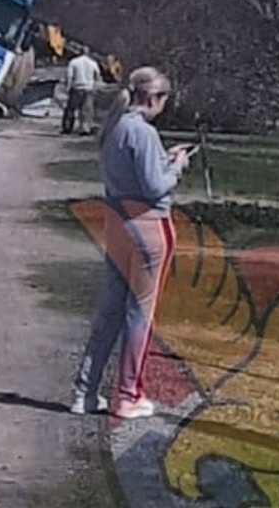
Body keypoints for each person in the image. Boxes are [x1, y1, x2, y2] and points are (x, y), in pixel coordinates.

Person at [71, 66, 190, 419]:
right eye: (164, 98)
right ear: (153, 98)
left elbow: (138, 173)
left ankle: (85, 391)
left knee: (110, 311)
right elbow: (155, 186)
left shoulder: (114, 128)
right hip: (148, 225)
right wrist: (177, 167)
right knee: (141, 313)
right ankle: (127, 394)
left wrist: (161, 162)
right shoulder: (144, 132)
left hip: (117, 222)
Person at [62, 46, 102, 135]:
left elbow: (69, 76)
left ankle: (67, 128)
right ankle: (85, 129)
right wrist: (96, 87)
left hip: (77, 88)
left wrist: (67, 87)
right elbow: (98, 76)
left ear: (79, 52)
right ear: (88, 53)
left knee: (70, 110)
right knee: (86, 111)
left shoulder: (74, 62)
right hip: (88, 89)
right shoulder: (93, 63)